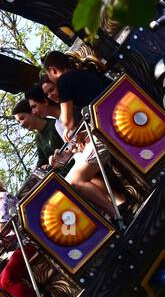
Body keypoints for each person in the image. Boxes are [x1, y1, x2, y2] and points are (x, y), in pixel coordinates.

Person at [40, 52, 120, 217]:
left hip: (108, 130)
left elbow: (68, 123)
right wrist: (82, 134)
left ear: (53, 71)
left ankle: (118, 214)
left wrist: (72, 133)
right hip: (119, 118)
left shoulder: (65, 81)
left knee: (73, 181)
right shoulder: (87, 74)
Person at [14, 89, 64, 168]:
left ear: (32, 112)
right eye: (18, 122)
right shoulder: (38, 138)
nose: (21, 124)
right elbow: (41, 162)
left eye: (22, 118)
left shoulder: (54, 125)